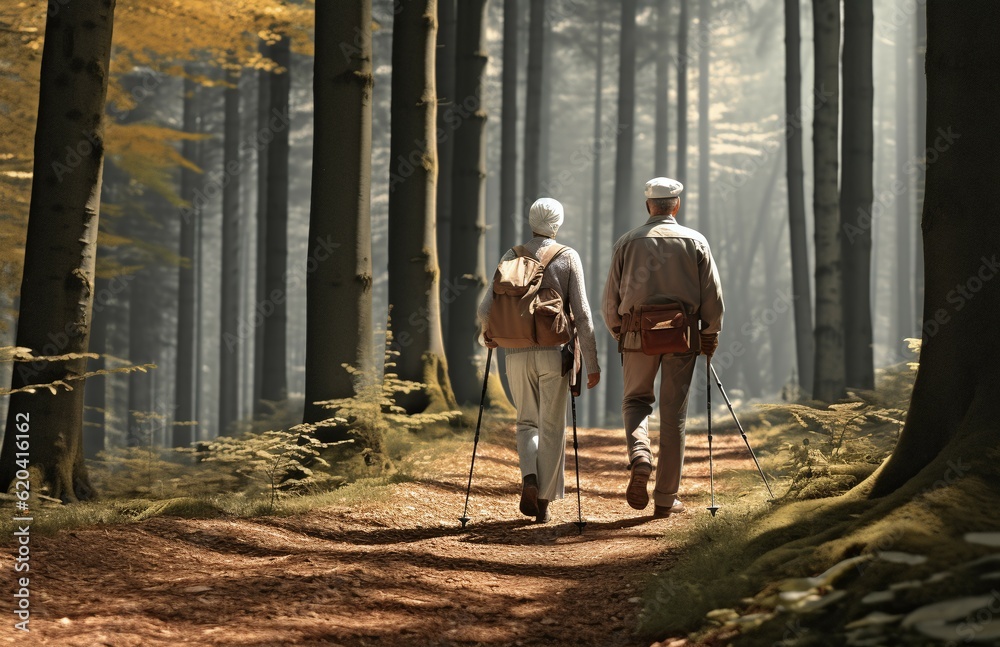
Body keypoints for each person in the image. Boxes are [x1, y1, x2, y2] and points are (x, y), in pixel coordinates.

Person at [602, 177, 724, 518]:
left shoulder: (626, 242)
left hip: (637, 334)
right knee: (674, 417)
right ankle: (666, 498)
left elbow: (609, 301)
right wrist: (710, 334)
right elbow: (713, 297)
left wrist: (619, 333)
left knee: (636, 400)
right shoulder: (696, 241)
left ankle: (640, 454)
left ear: (648, 206)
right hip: (681, 336)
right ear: (677, 206)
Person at [478, 198, 601, 523]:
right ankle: (543, 502)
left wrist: (487, 336)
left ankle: (529, 478)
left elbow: (484, 308)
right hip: (554, 352)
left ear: (531, 222)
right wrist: (592, 362)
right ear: (557, 224)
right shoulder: (567, 257)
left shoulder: (511, 255)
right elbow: (584, 315)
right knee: (550, 427)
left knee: (526, 422)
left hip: (515, 353)